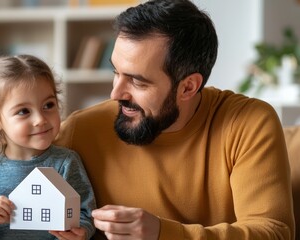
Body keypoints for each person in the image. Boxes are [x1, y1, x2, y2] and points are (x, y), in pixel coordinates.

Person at [54, 0, 295, 239]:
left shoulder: (248, 124)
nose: (115, 93)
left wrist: (162, 233)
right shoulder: (79, 131)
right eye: (116, 72)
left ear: (188, 87)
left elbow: (273, 232)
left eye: (137, 81)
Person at [0, 55, 96, 240]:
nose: (40, 120)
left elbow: (86, 214)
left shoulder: (66, 162)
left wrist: (82, 233)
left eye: (48, 105)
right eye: (23, 111)